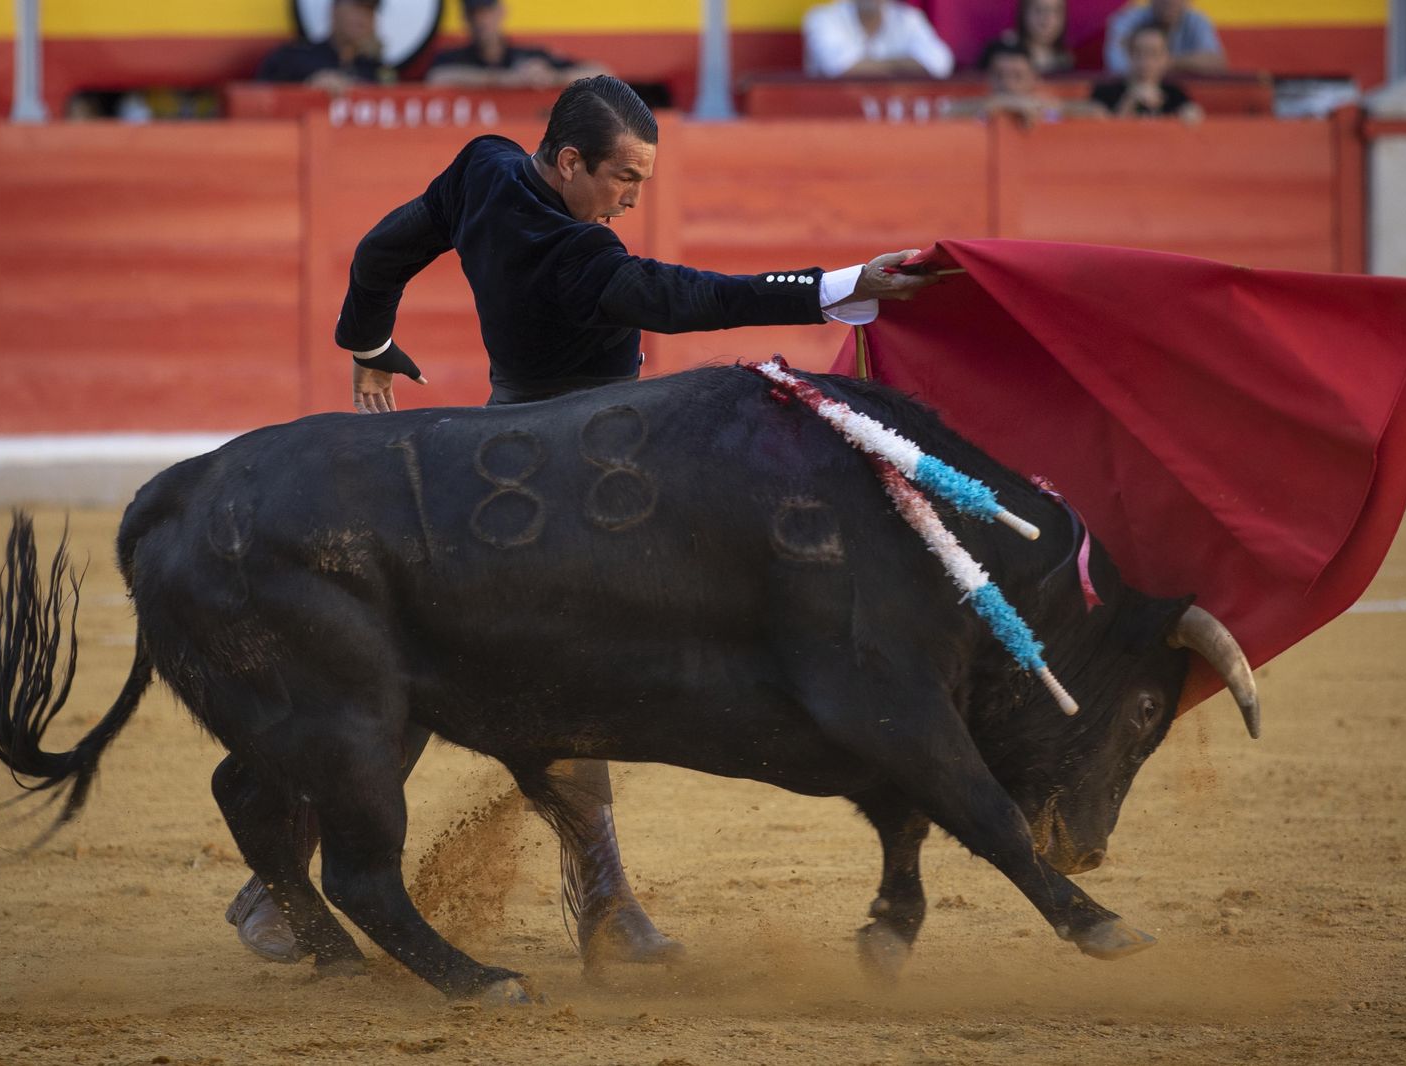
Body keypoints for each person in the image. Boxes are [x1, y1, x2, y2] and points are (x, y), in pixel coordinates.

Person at [227, 75, 937, 969]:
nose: (633, 199)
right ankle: (586, 902)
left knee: (453, 671)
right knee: (551, 673)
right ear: (568, 162)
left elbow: (381, 249)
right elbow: (697, 298)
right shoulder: (583, 261)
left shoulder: (485, 170)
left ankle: (293, 885)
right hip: (571, 479)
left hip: (507, 452)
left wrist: (367, 343)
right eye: (623, 179)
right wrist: (838, 286)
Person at [426, 0, 606, 89]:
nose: (481, 20)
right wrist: (506, 78)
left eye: (486, 12)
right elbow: (436, 78)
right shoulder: (453, 57)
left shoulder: (530, 56)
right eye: (474, 13)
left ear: (500, 12)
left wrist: (553, 76)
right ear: (465, 18)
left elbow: (601, 73)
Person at [255, 0, 394, 90]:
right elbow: (259, 96)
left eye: (369, 11)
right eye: (356, 8)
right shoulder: (295, 58)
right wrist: (309, 84)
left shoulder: (376, 69)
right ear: (334, 10)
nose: (362, 19)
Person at [802, 0, 955, 80]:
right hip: (832, 120)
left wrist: (871, 66)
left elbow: (940, 64)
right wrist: (907, 67)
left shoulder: (908, 19)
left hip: (894, 123)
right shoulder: (823, 18)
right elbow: (842, 69)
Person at [960, 42, 1101, 126]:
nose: (1007, 83)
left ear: (1034, 79)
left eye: (1018, 76)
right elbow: (942, 110)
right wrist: (1000, 104)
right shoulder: (977, 108)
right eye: (999, 75)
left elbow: (1098, 114)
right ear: (989, 77)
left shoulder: (1046, 109)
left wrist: (1040, 106)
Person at [1091, 23, 1202, 121]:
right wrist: (1129, 103)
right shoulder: (1105, 91)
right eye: (1139, 53)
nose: (1146, 61)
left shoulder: (1175, 95)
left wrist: (1191, 114)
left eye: (1154, 54)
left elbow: (1193, 117)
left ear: (1166, 58)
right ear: (1129, 55)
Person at [1104, 0, 1225, 76]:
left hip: (1176, 94)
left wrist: (1168, 63)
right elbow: (1118, 68)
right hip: (1130, 93)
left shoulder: (1197, 21)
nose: (1169, 1)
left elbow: (1216, 64)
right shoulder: (1126, 20)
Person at [976, 0, 1074, 76]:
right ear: (1023, 12)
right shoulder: (1002, 52)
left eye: (1056, 11)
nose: (1047, 19)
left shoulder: (1066, 59)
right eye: (1038, 10)